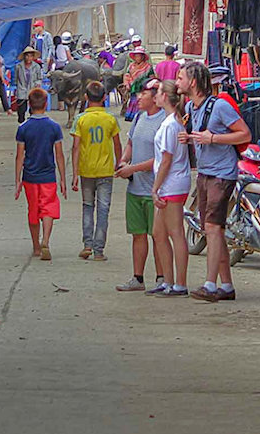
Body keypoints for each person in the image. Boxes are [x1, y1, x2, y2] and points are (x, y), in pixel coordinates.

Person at [177, 61, 252, 302]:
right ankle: (226, 286)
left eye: (181, 78)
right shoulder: (192, 106)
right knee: (213, 229)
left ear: (194, 82)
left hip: (221, 173)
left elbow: (245, 134)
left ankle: (210, 284)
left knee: (212, 227)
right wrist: (190, 139)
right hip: (205, 172)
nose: (178, 82)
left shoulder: (219, 106)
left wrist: (214, 138)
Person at [114, 79, 167, 291]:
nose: (138, 98)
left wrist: (132, 168)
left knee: (158, 236)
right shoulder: (138, 118)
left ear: (155, 97)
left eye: (142, 94)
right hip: (135, 188)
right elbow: (130, 143)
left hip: (155, 189)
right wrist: (124, 161)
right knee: (138, 234)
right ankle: (138, 277)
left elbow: (162, 158)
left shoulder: (166, 122)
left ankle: (162, 277)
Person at [144, 81, 193, 297]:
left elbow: (166, 160)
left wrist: (155, 188)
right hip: (171, 182)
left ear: (166, 97)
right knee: (159, 233)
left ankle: (179, 283)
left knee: (175, 232)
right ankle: (168, 280)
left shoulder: (170, 125)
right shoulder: (173, 123)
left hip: (171, 183)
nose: (155, 96)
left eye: (159, 92)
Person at [70, 81, 121, 261]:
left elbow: (75, 148)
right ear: (105, 98)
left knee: (87, 206)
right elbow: (117, 144)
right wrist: (119, 163)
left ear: (86, 97)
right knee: (103, 209)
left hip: (86, 171)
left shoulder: (80, 119)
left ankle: (87, 245)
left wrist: (75, 173)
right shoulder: (110, 119)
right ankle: (99, 251)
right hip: (106, 171)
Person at [15, 88, 66, 260]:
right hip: (48, 176)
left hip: (30, 176)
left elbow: (19, 156)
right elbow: (59, 154)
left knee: (33, 210)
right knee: (48, 208)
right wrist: (63, 179)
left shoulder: (23, 128)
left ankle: (36, 247)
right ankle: (46, 240)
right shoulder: (54, 127)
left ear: (29, 104)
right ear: (46, 104)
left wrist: (17, 181)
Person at [122, 46, 155, 122]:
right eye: (136, 55)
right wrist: (127, 84)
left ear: (143, 57)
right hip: (133, 89)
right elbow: (127, 76)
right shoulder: (131, 66)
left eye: (139, 55)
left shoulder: (148, 67)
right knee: (133, 102)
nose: (137, 57)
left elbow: (152, 78)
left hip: (143, 89)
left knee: (142, 103)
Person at [14, 46, 44, 124]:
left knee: (33, 109)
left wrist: (37, 84)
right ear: (24, 56)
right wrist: (16, 88)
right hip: (22, 89)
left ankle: (32, 124)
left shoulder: (36, 66)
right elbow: (16, 79)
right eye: (27, 55)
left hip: (33, 89)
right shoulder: (19, 66)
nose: (29, 58)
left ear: (33, 57)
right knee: (21, 110)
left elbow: (39, 78)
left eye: (31, 56)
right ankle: (22, 124)